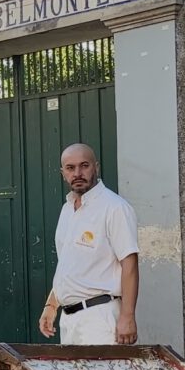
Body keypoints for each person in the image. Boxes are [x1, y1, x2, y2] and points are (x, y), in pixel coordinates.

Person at [37, 143, 140, 346]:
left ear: (96, 167)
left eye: (84, 165)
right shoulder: (67, 210)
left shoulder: (114, 208)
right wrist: (51, 305)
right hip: (69, 321)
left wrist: (127, 316)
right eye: (70, 168)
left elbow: (130, 264)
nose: (77, 173)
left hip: (100, 318)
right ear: (62, 172)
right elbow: (68, 266)